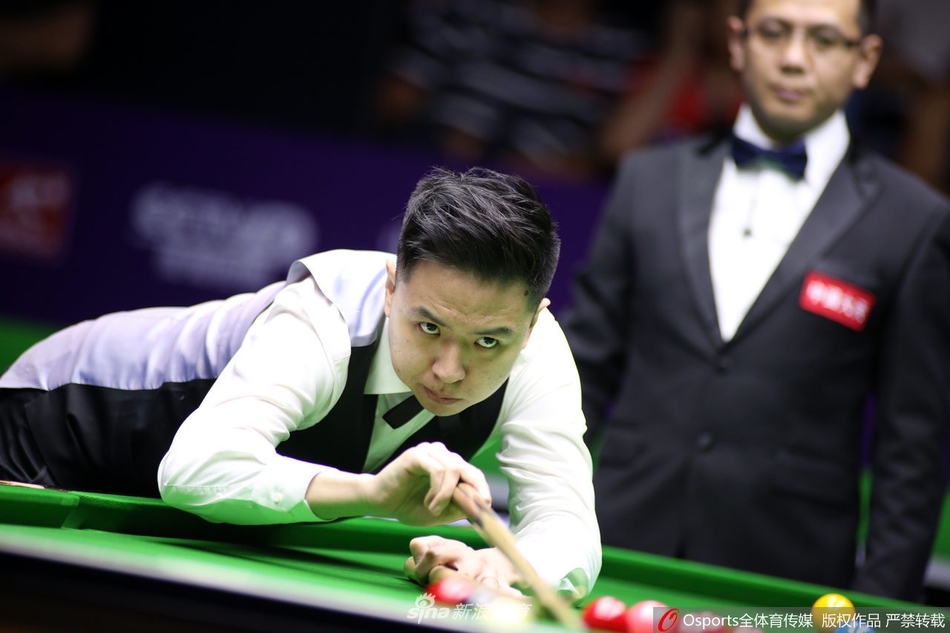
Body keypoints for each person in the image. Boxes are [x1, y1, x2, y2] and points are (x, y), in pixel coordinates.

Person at [0, 167, 601, 599]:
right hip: (52, 424)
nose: (449, 368)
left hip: (176, 508)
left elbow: (569, 528)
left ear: (531, 325)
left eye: (487, 342)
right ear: (391, 289)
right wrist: (372, 495)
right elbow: (196, 468)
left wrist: (501, 565)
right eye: (429, 327)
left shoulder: (538, 351)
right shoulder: (324, 315)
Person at [561, 0, 950, 602]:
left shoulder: (912, 221)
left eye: (824, 39)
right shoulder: (647, 181)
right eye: (774, 32)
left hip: (787, 577)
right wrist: (547, 526)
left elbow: (913, 448)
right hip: (616, 548)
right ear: (739, 44)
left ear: (865, 59)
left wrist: (878, 609)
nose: (794, 58)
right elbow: (579, 377)